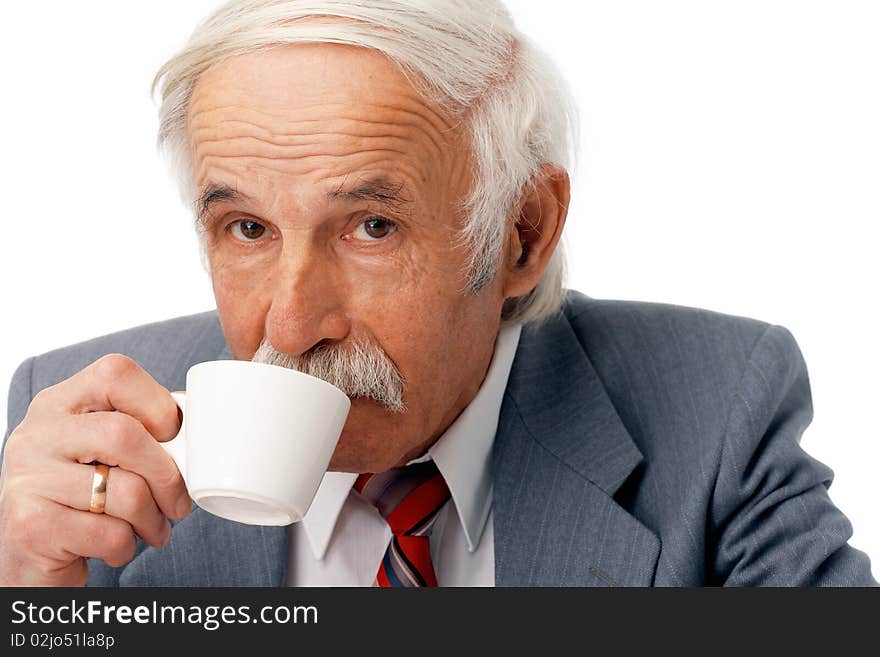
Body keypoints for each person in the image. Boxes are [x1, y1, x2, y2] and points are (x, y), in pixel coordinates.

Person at [0, 0, 875, 587]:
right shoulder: (85, 451)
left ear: (522, 232)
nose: (293, 323)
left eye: (371, 227)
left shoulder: (716, 408)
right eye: (248, 229)